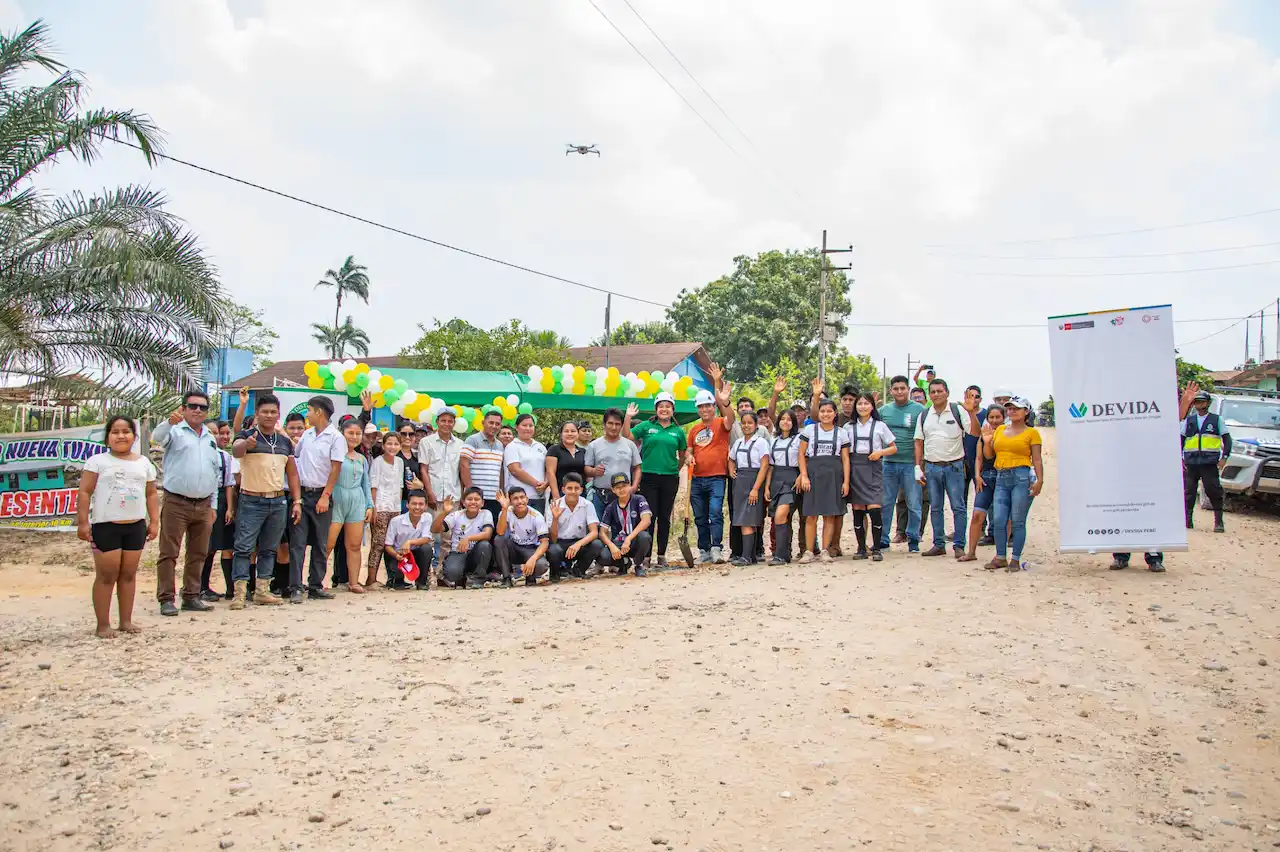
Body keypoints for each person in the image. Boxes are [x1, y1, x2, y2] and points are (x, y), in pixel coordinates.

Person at [77, 416, 159, 637]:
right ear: (108, 437)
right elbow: (85, 492)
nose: (121, 436)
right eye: (115, 431)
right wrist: (83, 522)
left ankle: (126, 621)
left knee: (129, 575)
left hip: (135, 527)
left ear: (134, 436)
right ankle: (102, 624)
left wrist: (154, 522)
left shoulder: (144, 463)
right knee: (106, 575)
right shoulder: (97, 462)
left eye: (126, 431)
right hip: (106, 527)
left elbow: (151, 494)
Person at [151, 390, 222, 616]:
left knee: (198, 552)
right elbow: (157, 438)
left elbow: (215, 473)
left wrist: (213, 505)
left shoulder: (210, 439)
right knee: (169, 552)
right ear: (183, 409)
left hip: (203, 504)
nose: (197, 410)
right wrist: (167, 422)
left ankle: (191, 595)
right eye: (192, 406)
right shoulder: (174, 432)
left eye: (202, 407)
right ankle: (166, 598)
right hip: (177, 502)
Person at [229, 392, 299, 609]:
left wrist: (297, 501)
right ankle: (239, 594)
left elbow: (293, 474)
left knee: (269, 548)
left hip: (277, 501)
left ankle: (262, 590)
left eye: (273, 412)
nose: (269, 415)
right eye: (264, 412)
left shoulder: (285, 442)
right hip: (251, 500)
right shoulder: (247, 435)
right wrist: (246, 445)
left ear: (278, 415)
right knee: (243, 548)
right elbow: (236, 450)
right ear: (257, 414)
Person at [289, 395, 345, 603]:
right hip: (302, 495)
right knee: (298, 542)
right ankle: (295, 587)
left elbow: (335, 468)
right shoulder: (306, 435)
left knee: (320, 543)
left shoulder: (335, 437)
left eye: (310, 410)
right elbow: (295, 458)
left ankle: (315, 585)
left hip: (322, 495)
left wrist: (325, 496)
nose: (307, 414)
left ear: (319, 412)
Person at [914, 378, 979, 558]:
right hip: (932, 467)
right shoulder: (924, 415)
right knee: (935, 507)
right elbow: (918, 442)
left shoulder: (958, 411)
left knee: (958, 507)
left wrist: (972, 413)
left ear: (947, 393)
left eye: (939, 391)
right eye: (933, 392)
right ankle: (938, 544)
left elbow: (975, 432)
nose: (936, 394)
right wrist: (917, 468)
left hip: (954, 466)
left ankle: (959, 545)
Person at [627, 396, 686, 568]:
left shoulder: (678, 431)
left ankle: (661, 555)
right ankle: (646, 557)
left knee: (664, 518)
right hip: (648, 477)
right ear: (656, 409)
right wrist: (628, 417)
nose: (664, 409)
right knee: (649, 517)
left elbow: (682, 455)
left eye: (668, 406)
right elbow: (627, 435)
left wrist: (674, 469)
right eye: (661, 406)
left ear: (673, 410)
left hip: (670, 477)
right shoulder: (646, 426)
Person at [985, 397, 1043, 572]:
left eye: (1017, 408)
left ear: (1026, 411)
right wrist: (987, 441)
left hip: (1021, 475)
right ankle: (1000, 556)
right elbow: (989, 455)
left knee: (1017, 520)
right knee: (999, 519)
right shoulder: (1001, 429)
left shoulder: (1032, 433)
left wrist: (1040, 481)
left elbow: (1037, 459)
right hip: (1002, 475)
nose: (1012, 411)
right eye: (1009, 408)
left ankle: (1015, 559)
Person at [686, 363, 735, 564]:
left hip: (716, 477)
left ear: (713, 407)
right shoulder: (693, 430)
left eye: (708, 405)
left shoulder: (721, 424)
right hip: (697, 479)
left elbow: (731, 418)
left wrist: (725, 400)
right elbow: (689, 449)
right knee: (700, 516)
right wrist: (689, 457)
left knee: (715, 512)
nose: (705, 409)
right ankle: (704, 550)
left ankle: (716, 548)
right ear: (697, 409)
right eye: (701, 406)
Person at [796, 398, 850, 564]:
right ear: (818, 413)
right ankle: (809, 551)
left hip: (833, 474)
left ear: (835, 414)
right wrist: (803, 475)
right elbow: (801, 454)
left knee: (829, 515)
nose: (826, 414)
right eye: (823, 411)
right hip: (813, 473)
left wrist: (846, 482)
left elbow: (846, 459)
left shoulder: (841, 432)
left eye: (829, 411)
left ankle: (825, 550)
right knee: (811, 515)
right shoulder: (810, 430)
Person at [846, 392, 896, 562]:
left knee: (875, 509)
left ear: (872, 406)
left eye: (866, 403)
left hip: (873, 467)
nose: (862, 407)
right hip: (855, 469)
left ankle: (876, 548)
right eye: (859, 403)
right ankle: (861, 548)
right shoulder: (848, 427)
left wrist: (880, 452)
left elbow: (893, 448)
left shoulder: (880, 425)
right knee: (858, 509)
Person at [878, 376, 926, 554]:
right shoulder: (883, 410)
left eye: (902, 388)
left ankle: (913, 539)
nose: (899, 391)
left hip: (911, 465)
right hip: (888, 464)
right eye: (896, 388)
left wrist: (919, 465)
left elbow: (923, 437)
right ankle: (883, 539)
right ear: (891, 391)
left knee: (914, 503)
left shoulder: (920, 410)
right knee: (886, 503)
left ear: (908, 390)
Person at [326, 418, 373, 593]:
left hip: (357, 500)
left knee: (354, 545)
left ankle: (354, 582)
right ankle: (316, 582)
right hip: (336, 498)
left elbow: (365, 484)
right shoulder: (334, 455)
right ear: (342, 433)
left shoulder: (361, 458)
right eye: (350, 433)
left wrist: (369, 505)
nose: (354, 437)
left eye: (357, 433)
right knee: (328, 544)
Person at [1178, 382, 1230, 533]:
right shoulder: (1189, 420)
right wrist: (1180, 458)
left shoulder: (1216, 420)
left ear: (1208, 403)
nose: (1200, 404)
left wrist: (1224, 457)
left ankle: (1218, 521)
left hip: (1209, 462)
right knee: (1189, 492)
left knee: (1213, 490)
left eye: (1202, 401)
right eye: (1197, 401)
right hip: (1191, 462)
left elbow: (1227, 439)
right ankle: (1188, 520)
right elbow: (1180, 440)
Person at [270, 410, 309, 596]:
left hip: (300, 497)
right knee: (280, 542)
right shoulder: (278, 443)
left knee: (296, 544)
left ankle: (294, 583)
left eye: (300, 428)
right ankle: (279, 582)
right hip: (279, 495)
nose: (296, 432)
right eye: (292, 428)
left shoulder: (307, 444)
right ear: (285, 428)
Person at [199, 421, 238, 603]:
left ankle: (230, 588)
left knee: (226, 544)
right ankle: (200, 586)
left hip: (222, 500)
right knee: (207, 547)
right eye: (215, 433)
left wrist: (230, 507)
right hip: (204, 499)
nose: (222, 437)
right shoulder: (199, 455)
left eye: (225, 433)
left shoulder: (225, 456)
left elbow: (229, 483)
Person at [961, 404, 1003, 563]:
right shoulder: (983, 434)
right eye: (991, 417)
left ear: (1003, 418)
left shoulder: (1006, 435)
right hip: (985, 477)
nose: (994, 420)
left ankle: (1001, 553)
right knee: (977, 514)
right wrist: (977, 476)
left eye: (997, 417)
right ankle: (971, 551)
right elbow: (979, 458)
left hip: (1002, 477)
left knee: (1002, 517)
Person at [728, 410, 770, 566]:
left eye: (750, 423)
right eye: (743, 423)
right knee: (741, 519)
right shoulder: (738, 442)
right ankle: (750, 556)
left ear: (756, 425)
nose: (746, 426)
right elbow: (731, 459)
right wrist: (731, 469)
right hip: (740, 483)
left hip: (754, 481)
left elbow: (765, 466)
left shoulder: (761, 442)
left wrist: (755, 488)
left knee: (750, 520)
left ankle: (746, 556)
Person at [432, 487, 495, 589]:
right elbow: (435, 529)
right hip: (458, 552)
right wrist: (444, 513)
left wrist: (468, 538)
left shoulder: (486, 514)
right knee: (452, 574)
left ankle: (478, 579)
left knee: (485, 545)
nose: (473, 502)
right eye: (469, 499)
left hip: (476, 553)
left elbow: (487, 534)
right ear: (463, 502)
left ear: (482, 503)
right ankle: (461, 577)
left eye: (476, 499)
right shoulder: (457, 515)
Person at [585, 407, 642, 520]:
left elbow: (637, 468)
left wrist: (634, 486)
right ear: (604, 424)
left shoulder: (630, 445)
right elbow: (586, 468)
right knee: (598, 529)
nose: (613, 427)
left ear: (621, 426)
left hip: (624, 495)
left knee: (622, 530)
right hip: (600, 495)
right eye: (610, 423)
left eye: (617, 424)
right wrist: (594, 471)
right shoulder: (594, 445)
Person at [367, 432, 406, 589]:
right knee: (378, 543)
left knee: (393, 543)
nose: (392, 447)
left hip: (395, 508)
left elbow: (400, 485)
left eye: (396, 444)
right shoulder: (377, 462)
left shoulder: (400, 462)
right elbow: (374, 486)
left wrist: (399, 510)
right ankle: (371, 579)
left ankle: (394, 578)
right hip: (381, 507)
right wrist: (374, 508)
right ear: (383, 445)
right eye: (389, 443)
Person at [547, 473, 603, 579]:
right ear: (563, 489)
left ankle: (578, 571)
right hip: (560, 543)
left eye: (576, 488)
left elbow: (594, 532)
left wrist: (578, 544)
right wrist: (555, 518)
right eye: (569, 488)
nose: (573, 492)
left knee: (597, 544)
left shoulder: (587, 505)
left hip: (579, 542)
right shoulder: (555, 505)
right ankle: (555, 574)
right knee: (553, 550)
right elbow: (553, 539)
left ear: (581, 490)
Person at [765, 409, 802, 565]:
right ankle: (785, 553)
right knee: (779, 518)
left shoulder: (799, 439)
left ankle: (779, 555)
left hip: (792, 479)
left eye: (789, 419)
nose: (785, 422)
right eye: (783, 419)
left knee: (781, 514)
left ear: (793, 423)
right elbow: (770, 466)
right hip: (776, 480)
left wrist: (802, 475)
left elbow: (804, 458)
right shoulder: (774, 441)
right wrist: (767, 487)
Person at [494, 486, 551, 586]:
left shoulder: (536, 516)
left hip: (531, 549)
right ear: (510, 502)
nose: (520, 501)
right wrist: (504, 508)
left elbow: (544, 543)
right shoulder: (506, 512)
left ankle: (531, 577)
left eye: (522, 497)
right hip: (513, 547)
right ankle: (507, 578)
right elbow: (500, 532)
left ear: (527, 499)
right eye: (515, 499)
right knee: (499, 540)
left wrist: (533, 559)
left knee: (542, 565)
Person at [598, 473, 653, 576]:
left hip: (635, 540)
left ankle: (638, 565)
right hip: (619, 541)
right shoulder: (611, 507)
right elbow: (602, 532)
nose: (621, 489)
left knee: (644, 537)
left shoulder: (639, 499)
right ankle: (624, 563)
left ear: (630, 485)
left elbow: (646, 521)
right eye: (617, 487)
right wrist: (611, 546)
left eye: (624, 486)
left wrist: (629, 539)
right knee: (603, 557)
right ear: (613, 490)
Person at [382, 490, 433, 590]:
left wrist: (409, 542)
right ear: (407, 505)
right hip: (398, 555)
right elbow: (388, 545)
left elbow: (427, 538)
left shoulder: (427, 517)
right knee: (397, 578)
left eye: (421, 504)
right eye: (414, 504)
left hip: (416, 553)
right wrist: (396, 555)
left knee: (426, 549)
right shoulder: (396, 521)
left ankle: (421, 582)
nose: (417, 507)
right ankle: (395, 580)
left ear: (426, 506)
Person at [461, 409, 506, 519]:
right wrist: (470, 491)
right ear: (483, 423)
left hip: (495, 497)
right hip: (477, 498)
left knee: (492, 531)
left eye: (497, 424)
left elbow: (500, 470)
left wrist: (501, 492)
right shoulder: (472, 440)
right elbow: (463, 465)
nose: (494, 426)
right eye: (491, 423)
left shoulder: (500, 445)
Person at [418, 408, 463, 513]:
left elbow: (460, 471)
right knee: (432, 529)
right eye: (443, 421)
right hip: (434, 497)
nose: (446, 424)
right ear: (437, 422)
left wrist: (462, 495)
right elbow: (424, 469)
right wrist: (429, 493)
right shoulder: (426, 442)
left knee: (452, 529)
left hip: (454, 497)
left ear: (454, 423)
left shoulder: (460, 444)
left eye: (450, 421)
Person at [504, 413, 549, 513]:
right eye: (524, 425)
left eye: (531, 425)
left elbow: (548, 468)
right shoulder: (512, 446)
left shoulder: (540, 446)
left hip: (539, 497)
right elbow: (515, 470)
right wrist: (537, 484)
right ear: (516, 427)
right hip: (520, 498)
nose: (528, 428)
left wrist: (545, 484)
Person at [546, 420, 592, 501]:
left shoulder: (583, 451)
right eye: (566, 431)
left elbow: (587, 473)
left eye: (573, 431)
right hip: (561, 493)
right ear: (561, 434)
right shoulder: (554, 450)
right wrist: (556, 495)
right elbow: (550, 473)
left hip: (580, 494)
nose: (570, 434)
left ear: (577, 434)